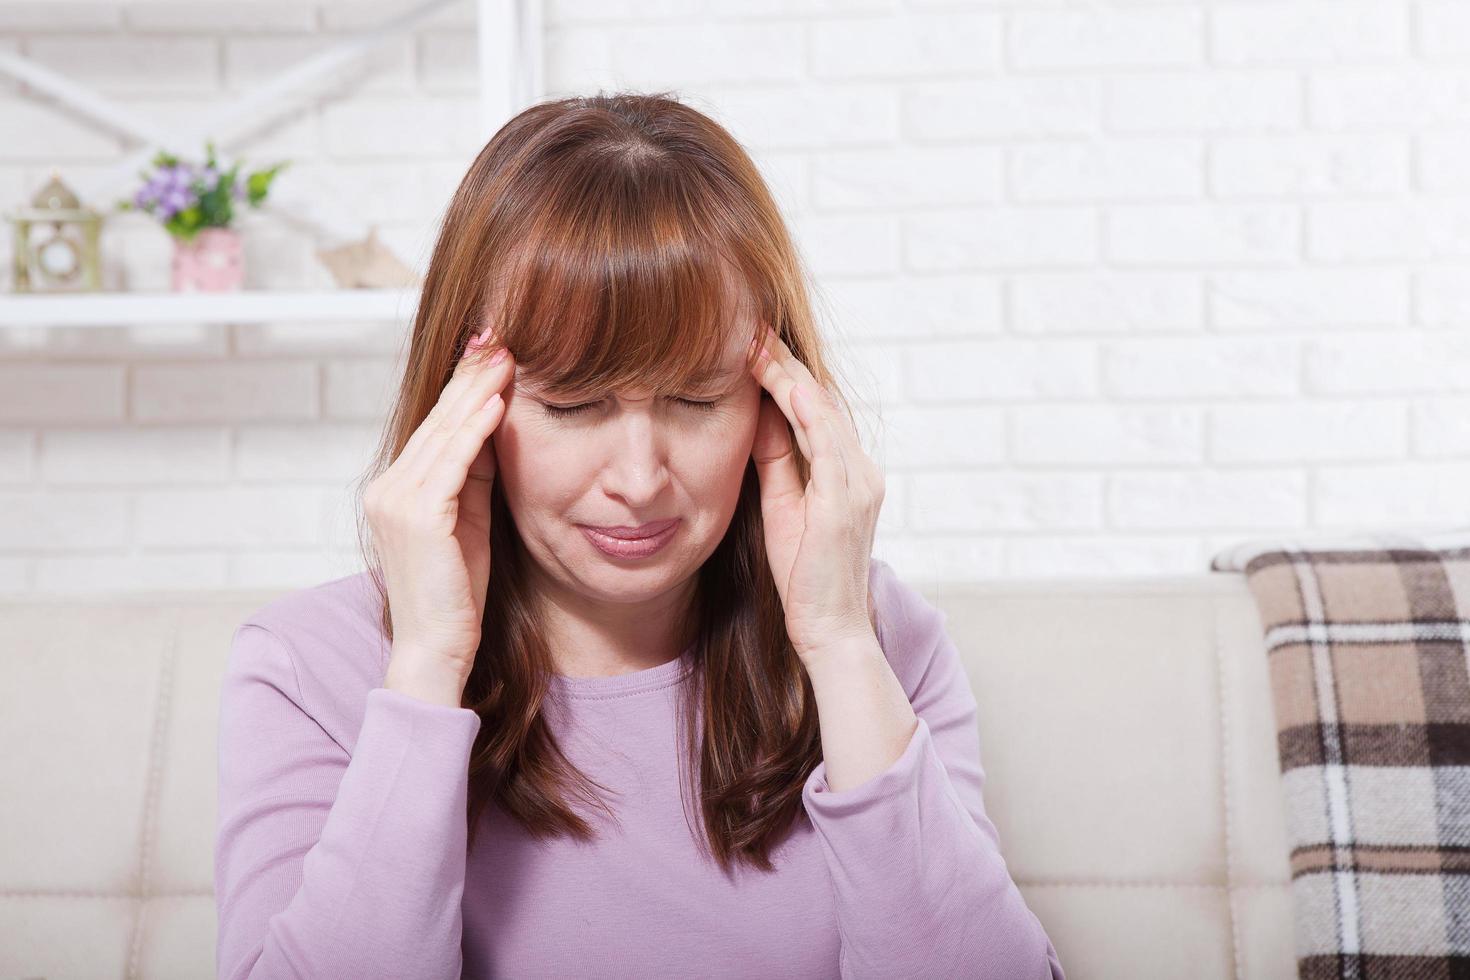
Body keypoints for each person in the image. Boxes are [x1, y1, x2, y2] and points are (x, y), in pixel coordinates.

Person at [214, 90, 1065, 980]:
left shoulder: (880, 642)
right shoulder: (304, 668)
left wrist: (840, 647)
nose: (639, 479)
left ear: (775, 406)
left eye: (696, 400)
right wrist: (428, 664)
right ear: (466, 407)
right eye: (575, 405)